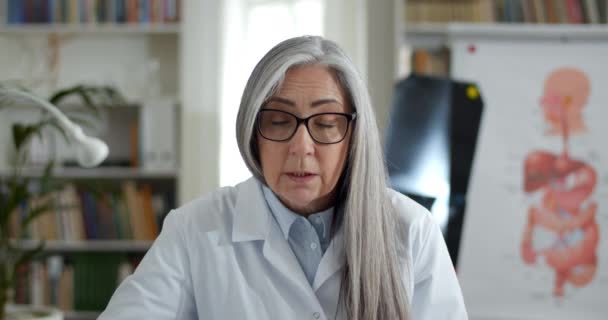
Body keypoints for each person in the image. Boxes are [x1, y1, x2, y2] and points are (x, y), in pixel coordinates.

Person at [98, 36, 467, 320]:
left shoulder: (411, 229)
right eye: (278, 121)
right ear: (253, 132)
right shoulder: (195, 228)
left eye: (324, 124)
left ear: (354, 135)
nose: (300, 146)